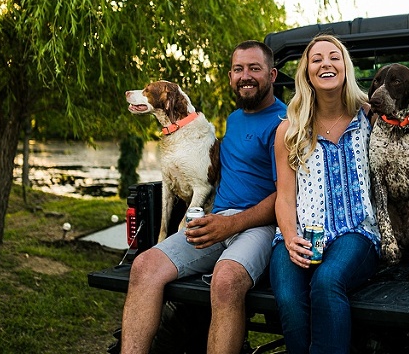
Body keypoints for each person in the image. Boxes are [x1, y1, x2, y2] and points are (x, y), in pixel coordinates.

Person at [120, 40, 287, 354]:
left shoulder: (285, 123)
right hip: (214, 222)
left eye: (255, 68)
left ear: (272, 74)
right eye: (239, 69)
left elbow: (286, 197)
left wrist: (231, 224)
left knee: (225, 280)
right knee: (144, 266)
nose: (246, 76)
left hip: (259, 226)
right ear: (230, 77)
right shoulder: (234, 119)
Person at [270, 34, 381, 354]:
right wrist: (290, 238)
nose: (326, 63)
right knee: (290, 300)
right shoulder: (289, 129)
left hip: (355, 231)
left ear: (345, 66)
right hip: (303, 232)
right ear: (307, 73)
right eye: (316, 59)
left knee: (327, 282)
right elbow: (285, 197)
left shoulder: (369, 116)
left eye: (334, 57)